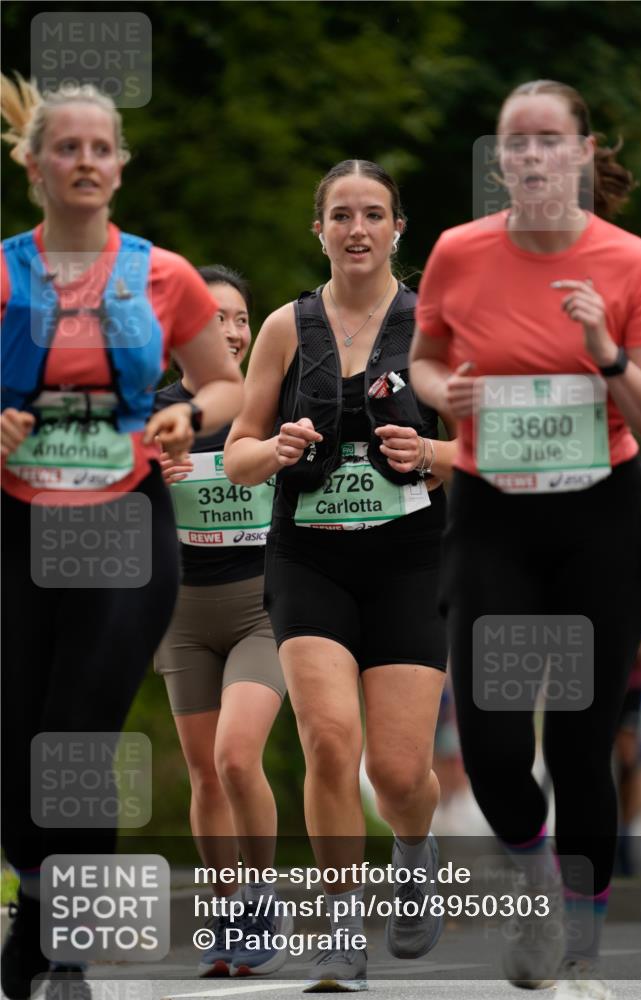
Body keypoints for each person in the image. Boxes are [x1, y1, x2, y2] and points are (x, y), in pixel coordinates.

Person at [409, 79, 641, 1000]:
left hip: (601, 515)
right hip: (493, 515)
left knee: (580, 743)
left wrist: (605, 354)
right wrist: (446, 395)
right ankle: (529, 871)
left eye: (546, 140)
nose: (526, 157)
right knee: (486, 741)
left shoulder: (630, 261)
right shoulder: (457, 252)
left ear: (580, 153)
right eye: (511, 144)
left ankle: (587, 961)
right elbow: (426, 358)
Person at [0, 76, 243, 1000]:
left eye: (103, 149)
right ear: (35, 165)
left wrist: (188, 417)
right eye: (68, 147)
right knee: (16, 746)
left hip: (123, 524)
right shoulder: (1, 271)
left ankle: (68, 952)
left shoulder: (162, 274)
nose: (87, 162)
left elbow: (220, 385)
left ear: (120, 167)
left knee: (76, 737)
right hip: (15, 526)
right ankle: (35, 892)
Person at [224, 159, 456, 992]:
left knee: (397, 774)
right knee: (328, 740)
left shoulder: (433, 322)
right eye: (340, 215)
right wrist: (274, 448)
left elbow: (483, 449)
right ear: (316, 229)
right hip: (308, 556)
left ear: (399, 229)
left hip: (408, 560)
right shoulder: (287, 328)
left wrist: (432, 451)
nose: (356, 229)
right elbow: (241, 452)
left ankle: (413, 849)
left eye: (373, 214)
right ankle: (341, 931)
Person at [154, 265, 291, 978]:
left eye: (239, 318)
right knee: (206, 774)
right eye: (212, 319)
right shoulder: (158, 415)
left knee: (238, 756)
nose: (231, 332)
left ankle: (261, 899)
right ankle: (224, 909)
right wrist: (150, 481)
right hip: (179, 613)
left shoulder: (269, 405)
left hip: (261, 607)